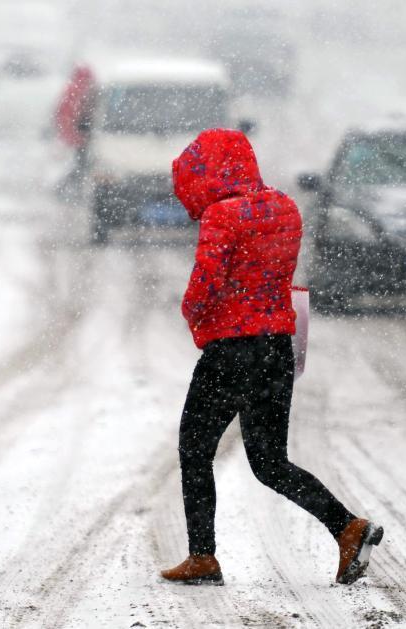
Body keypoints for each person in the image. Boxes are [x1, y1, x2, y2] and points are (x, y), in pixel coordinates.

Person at [161, 129, 383, 586]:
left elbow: (204, 288)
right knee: (270, 462)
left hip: (232, 350)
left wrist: (191, 313)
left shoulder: (222, 216)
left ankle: (203, 557)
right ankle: (346, 526)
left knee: (194, 448)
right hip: (275, 348)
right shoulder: (284, 206)